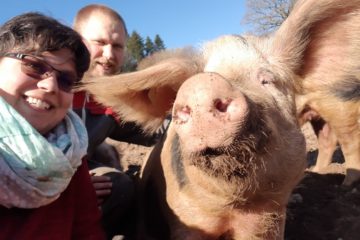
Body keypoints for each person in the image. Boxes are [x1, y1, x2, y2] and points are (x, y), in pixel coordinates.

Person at [0, 12, 105, 239]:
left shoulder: (69, 151)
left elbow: (87, 231)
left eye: (66, 80)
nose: (50, 85)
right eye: (34, 66)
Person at [72, 4, 165, 239]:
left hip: (76, 178)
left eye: (117, 46)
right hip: (28, 182)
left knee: (119, 186)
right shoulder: (48, 85)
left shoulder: (110, 102)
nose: (109, 55)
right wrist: (70, 185)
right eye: (100, 43)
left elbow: (152, 129)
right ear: (76, 40)